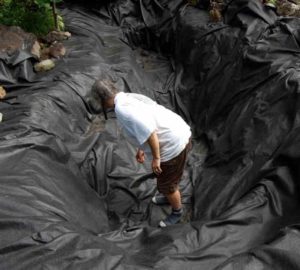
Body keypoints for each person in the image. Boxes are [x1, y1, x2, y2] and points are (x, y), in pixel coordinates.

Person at [90, 79, 192, 227]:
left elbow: (150, 133)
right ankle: (168, 194)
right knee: (167, 178)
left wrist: (156, 158)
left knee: (168, 182)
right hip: (178, 130)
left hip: (173, 144)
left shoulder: (123, 110)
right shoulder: (126, 97)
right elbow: (144, 125)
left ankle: (177, 211)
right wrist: (141, 148)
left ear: (102, 100)